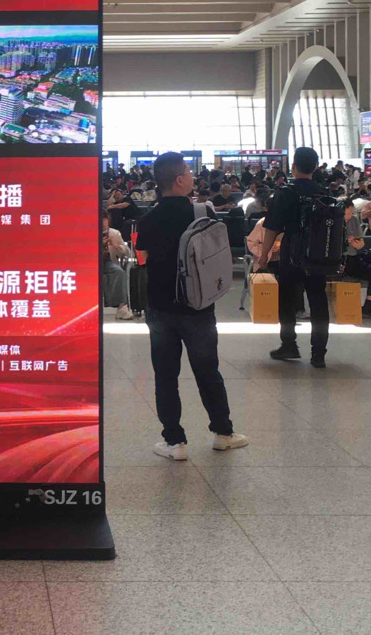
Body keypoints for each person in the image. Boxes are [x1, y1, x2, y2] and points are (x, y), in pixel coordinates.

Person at [134, 152, 248, 459]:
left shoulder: (147, 219)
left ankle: (175, 442)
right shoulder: (202, 211)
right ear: (180, 180)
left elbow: (142, 257)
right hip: (198, 307)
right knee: (208, 371)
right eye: (187, 171)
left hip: (160, 308)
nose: (191, 176)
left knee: (165, 375)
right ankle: (223, 433)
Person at [256, 146, 332, 367]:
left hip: (291, 254)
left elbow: (272, 227)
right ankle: (319, 353)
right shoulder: (324, 193)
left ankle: (289, 344)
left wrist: (264, 255)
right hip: (318, 255)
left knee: (287, 300)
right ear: (315, 167)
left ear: (293, 166)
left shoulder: (285, 192)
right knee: (318, 301)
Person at [342, 201, 371, 320]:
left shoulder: (354, 220)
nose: (349, 216)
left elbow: (361, 244)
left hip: (352, 258)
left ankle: (367, 307)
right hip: (336, 260)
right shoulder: (332, 222)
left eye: (351, 213)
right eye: (347, 213)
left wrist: (355, 243)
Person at [100, 210, 134, 321]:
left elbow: (127, 252)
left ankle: (122, 308)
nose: (102, 222)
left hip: (107, 262)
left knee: (119, 272)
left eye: (104, 219)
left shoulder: (114, 233)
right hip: (90, 263)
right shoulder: (88, 232)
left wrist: (117, 246)